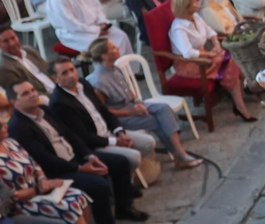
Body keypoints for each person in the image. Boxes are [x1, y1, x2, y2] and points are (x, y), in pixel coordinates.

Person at [7, 78, 148, 224]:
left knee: (120, 162)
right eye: (25, 94)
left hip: (76, 158)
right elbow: (45, 159)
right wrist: (80, 168)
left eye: (33, 90)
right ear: (13, 102)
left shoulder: (45, 110)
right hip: (59, 170)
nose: (33, 95)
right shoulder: (18, 126)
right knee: (99, 185)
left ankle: (124, 208)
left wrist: (90, 156)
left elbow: (70, 134)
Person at [84, 38, 203, 168]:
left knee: (164, 109)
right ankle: (179, 154)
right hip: (121, 116)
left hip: (131, 106)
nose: (117, 48)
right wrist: (131, 111)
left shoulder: (115, 69)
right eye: (112, 48)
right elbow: (104, 112)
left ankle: (179, 154)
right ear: (104, 55)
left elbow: (128, 89)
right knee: (157, 121)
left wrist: (137, 102)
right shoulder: (98, 81)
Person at [168, 0, 258, 123]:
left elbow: (210, 31)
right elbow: (188, 53)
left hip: (205, 55)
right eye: (193, 2)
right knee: (231, 64)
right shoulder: (178, 29)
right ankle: (245, 98)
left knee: (233, 60)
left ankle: (245, 92)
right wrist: (209, 54)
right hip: (191, 64)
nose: (196, 3)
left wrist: (216, 44)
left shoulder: (195, 17)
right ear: (186, 8)